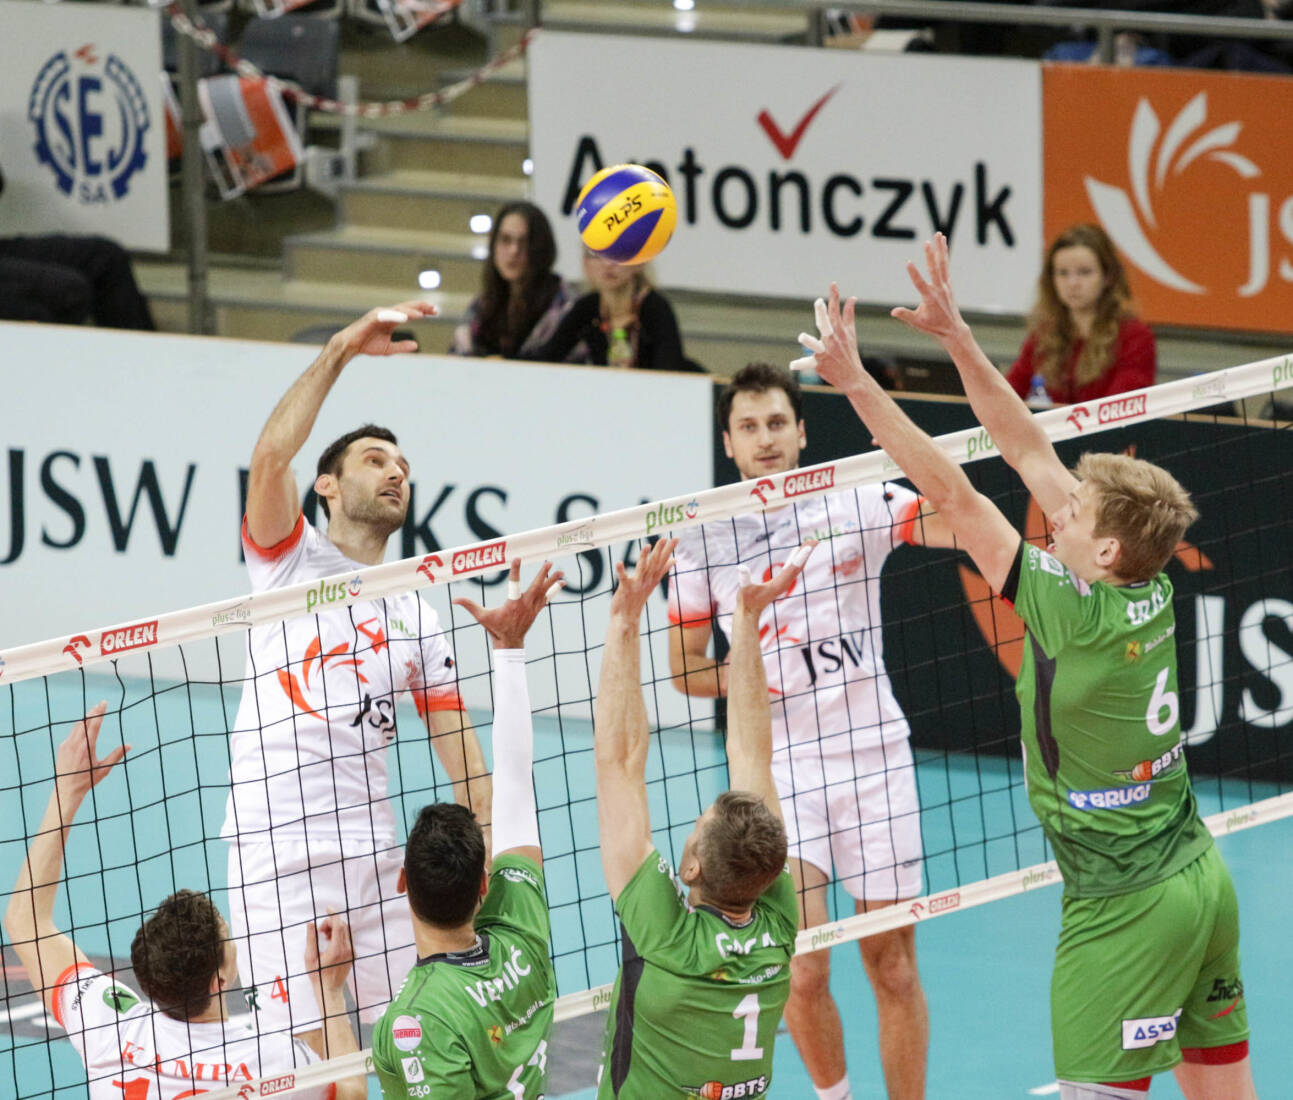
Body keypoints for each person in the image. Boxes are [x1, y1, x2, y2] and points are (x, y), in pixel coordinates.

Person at [798, 233, 1254, 1099]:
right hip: (1201, 879)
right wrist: (958, 337)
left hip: (1123, 908)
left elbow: (954, 493)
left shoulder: (1068, 609)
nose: (1059, 512)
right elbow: (1029, 451)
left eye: (1075, 513)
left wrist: (855, 383)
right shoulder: (1144, 583)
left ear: (1105, 548)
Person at [668, 363, 958, 1100]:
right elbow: (683, 669)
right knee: (799, 966)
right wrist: (751, 680)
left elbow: (954, 519)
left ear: (801, 431)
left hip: (875, 762)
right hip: (782, 772)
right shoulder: (702, 536)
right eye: (748, 426)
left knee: (893, 966)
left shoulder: (856, 497)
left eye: (776, 423)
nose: (764, 439)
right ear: (728, 443)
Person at [226, 300, 491, 1053]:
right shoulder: (287, 561)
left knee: (427, 1044)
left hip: (379, 865)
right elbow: (269, 458)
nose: (396, 471)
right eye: (375, 459)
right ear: (327, 487)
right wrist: (342, 346)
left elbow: (467, 766)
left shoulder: (417, 613)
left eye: (401, 465)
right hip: (278, 858)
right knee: (314, 1068)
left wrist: (495, 867)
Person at [3, 704, 363, 1100]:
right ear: (219, 979)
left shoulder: (109, 1028)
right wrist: (329, 991)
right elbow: (352, 1092)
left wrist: (66, 792)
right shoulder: (274, 1062)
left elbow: (26, 922)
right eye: (227, 937)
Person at [594, 537, 807, 1099]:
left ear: (691, 870)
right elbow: (752, 754)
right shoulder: (777, 925)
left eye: (697, 825)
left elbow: (619, 762)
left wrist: (625, 620)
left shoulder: (668, 938)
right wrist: (747, 623)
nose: (695, 821)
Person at [372, 560, 562, 1100]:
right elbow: (516, 788)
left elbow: (515, 785)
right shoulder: (523, 934)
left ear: (403, 881)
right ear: (485, 882)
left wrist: (510, 649)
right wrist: (510, 650)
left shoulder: (415, 1021)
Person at [1005, 224, 1155, 406]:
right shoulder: (1043, 334)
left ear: (1108, 276)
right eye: (1062, 273)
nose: (1072, 283)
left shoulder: (1135, 337)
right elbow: (1007, 396)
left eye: (1084, 272)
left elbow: (1120, 409)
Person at [525, 250, 685, 370]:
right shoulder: (587, 307)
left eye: (618, 252)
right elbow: (547, 356)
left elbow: (669, 371)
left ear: (640, 261)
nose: (608, 263)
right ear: (586, 264)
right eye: (598, 254)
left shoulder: (655, 308)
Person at [450, 201, 569, 358]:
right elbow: (456, 361)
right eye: (505, 240)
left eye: (524, 242)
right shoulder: (481, 306)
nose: (514, 250)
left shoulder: (564, 306)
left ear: (541, 248)